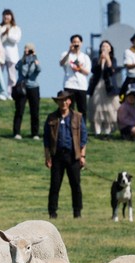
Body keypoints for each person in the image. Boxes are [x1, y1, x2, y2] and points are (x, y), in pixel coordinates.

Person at [44, 90, 87, 219]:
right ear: (57, 102)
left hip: (73, 155)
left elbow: (83, 138)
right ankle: (52, 212)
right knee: (55, 185)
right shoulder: (51, 118)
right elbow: (46, 140)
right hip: (57, 156)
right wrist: (47, 157)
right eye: (60, 100)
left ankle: (77, 212)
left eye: (65, 100)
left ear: (69, 101)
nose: (63, 102)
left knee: (76, 185)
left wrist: (82, 156)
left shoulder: (78, 117)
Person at [87, 40, 119, 138]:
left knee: (109, 109)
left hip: (109, 86)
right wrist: (101, 60)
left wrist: (108, 58)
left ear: (110, 49)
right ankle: (97, 130)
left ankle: (107, 131)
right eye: (103, 46)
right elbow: (94, 70)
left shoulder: (113, 59)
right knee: (97, 108)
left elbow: (112, 70)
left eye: (107, 46)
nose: (104, 48)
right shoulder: (95, 59)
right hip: (97, 85)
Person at [12, 42, 40, 140]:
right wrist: (24, 59)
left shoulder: (35, 61)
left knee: (34, 111)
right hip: (22, 87)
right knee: (19, 110)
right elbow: (17, 67)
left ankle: (35, 133)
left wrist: (34, 58)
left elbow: (39, 70)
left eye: (29, 49)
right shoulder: (21, 61)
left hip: (33, 87)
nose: (27, 51)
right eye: (26, 49)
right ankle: (16, 132)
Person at [59, 34, 91, 118]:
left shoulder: (85, 57)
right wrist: (69, 51)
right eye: (74, 42)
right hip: (69, 84)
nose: (76, 44)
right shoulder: (66, 54)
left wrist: (80, 68)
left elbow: (87, 72)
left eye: (78, 42)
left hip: (81, 86)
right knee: (69, 108)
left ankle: (82, 129)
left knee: (82, 109)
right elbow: (61, 63)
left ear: (81, 43)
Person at [0, 9, 21, 98]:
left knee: (12, 76)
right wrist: (4, 33)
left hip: (12, 55)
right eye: (5, 15)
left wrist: (8, 33)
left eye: (8, 15)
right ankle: (0, 93)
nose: (6, 17)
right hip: (1, 54)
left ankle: (11, 93)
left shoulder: (16, 28)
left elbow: (16, 40)